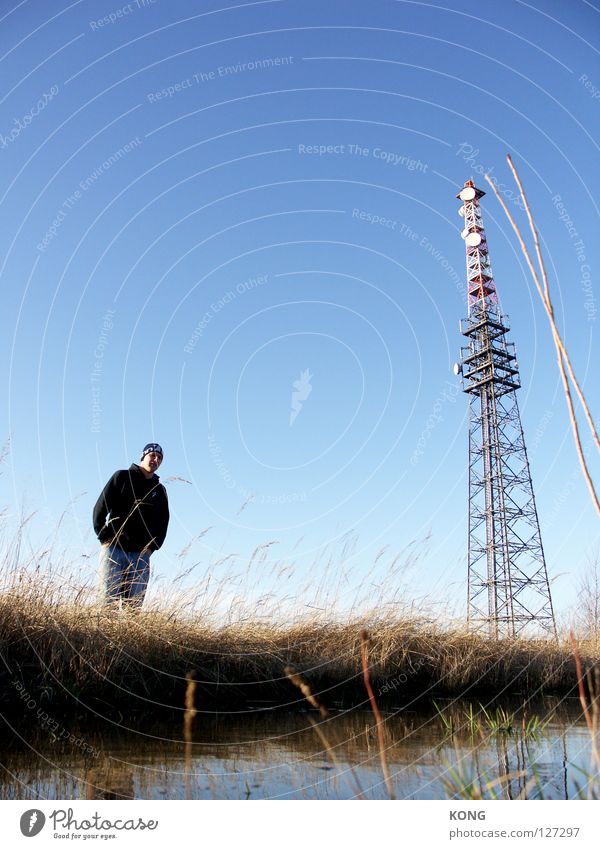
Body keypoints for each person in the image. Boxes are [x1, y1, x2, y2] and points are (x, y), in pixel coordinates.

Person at [93, 443, 169, 608]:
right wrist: (104, 538)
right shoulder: (121, 477)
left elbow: (163, 523)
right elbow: (100, 507)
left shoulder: (160, 490)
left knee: (133, 609)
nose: (156, 460)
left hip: (140, 556)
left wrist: (151, 548)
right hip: (114, 550)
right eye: (153, 455)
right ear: (143, 456)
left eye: (160, 458)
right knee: (107, 605)